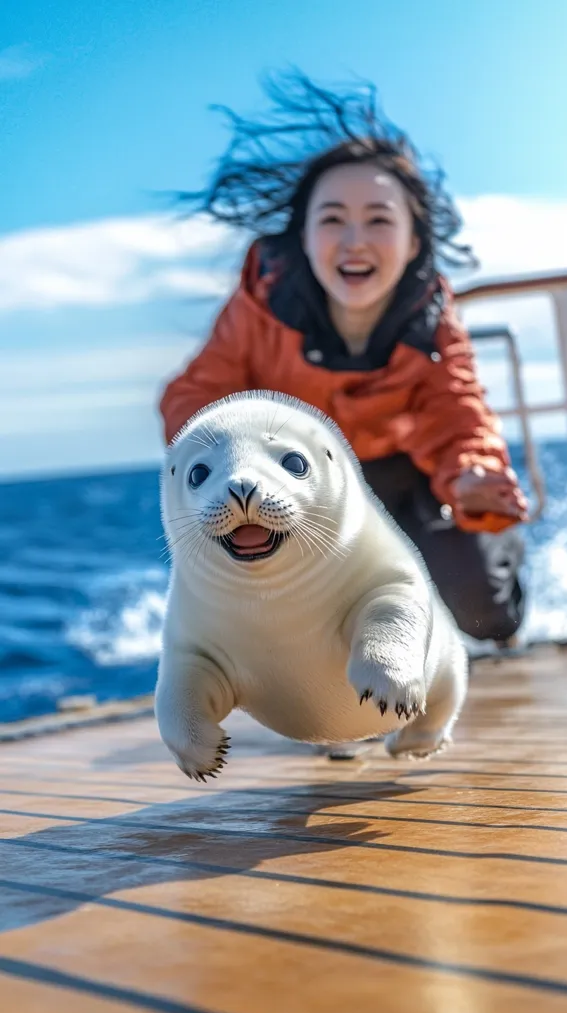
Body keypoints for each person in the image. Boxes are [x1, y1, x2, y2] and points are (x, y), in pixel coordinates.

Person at [159, 71, 528, 652]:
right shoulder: (261, 304)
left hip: (410, 475)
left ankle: (496, 571)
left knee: (483, 611)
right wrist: (233, 466)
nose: (354, 238)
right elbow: (195, 398)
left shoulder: (430, 318)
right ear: (303, 236)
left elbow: (458, 413)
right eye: (332, 218)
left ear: (412, 244)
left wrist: (472, 478)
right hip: (303, 479)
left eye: (379, 219)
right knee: (304, 614)